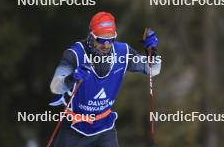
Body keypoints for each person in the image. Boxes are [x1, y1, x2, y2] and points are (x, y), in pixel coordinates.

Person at [49, 11, 161, 147]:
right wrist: (72, 78)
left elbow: (153, 69)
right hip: (75, 127)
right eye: (101, 40)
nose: (106, 45)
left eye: (110, 40)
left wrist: (152, 50)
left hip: (104, 128)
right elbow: (55, 87)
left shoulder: (122, 53)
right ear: (91, 35)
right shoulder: (75, 54)